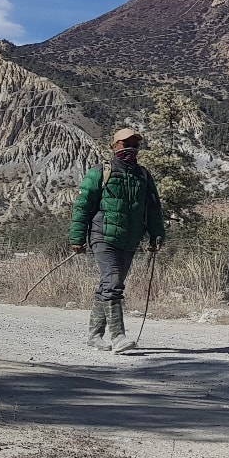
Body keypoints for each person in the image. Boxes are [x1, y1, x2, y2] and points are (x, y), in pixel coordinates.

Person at [68, 127, 166, 353]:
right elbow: (82, 207)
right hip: (103, 237)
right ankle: (118, 336)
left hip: (130, 240)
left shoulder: (143, 175)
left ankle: (94, 336)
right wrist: (77, 238)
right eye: (125, 143)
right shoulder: (99, 173)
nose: (131, 147)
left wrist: (157, 234)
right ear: (114, 146)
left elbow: (153, 208)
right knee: (113, 283)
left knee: (108, 285)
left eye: (135, 143)